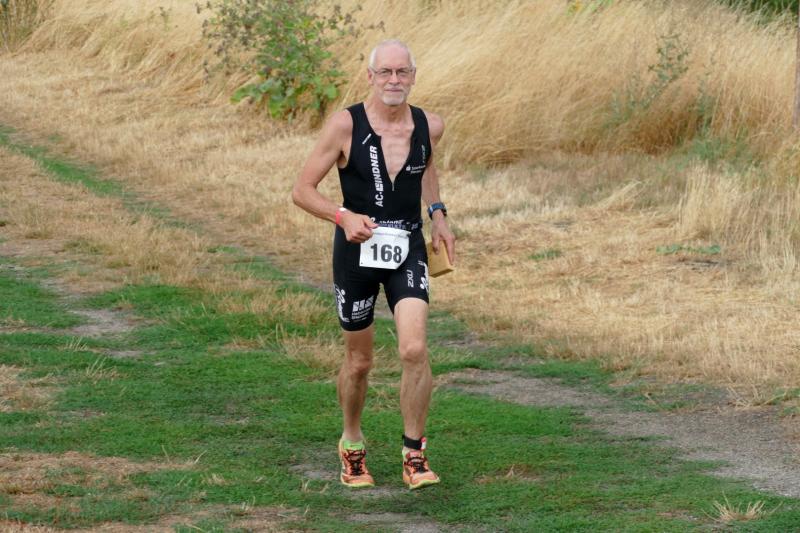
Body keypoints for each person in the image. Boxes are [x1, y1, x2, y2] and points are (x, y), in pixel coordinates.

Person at [291, 38, 456, 490]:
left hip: (407, 245)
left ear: (414, 76)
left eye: (402, 72)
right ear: (370, 76)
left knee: (414, 349)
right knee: (359, 361)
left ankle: (414, 454)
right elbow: (302, 190)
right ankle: (352, 442)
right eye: (385, 72)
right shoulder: (345, 125)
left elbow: (425, 166)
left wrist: (438, 214)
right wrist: (342, 217)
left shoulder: (430, 125)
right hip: (356, 252)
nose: (394, 80)